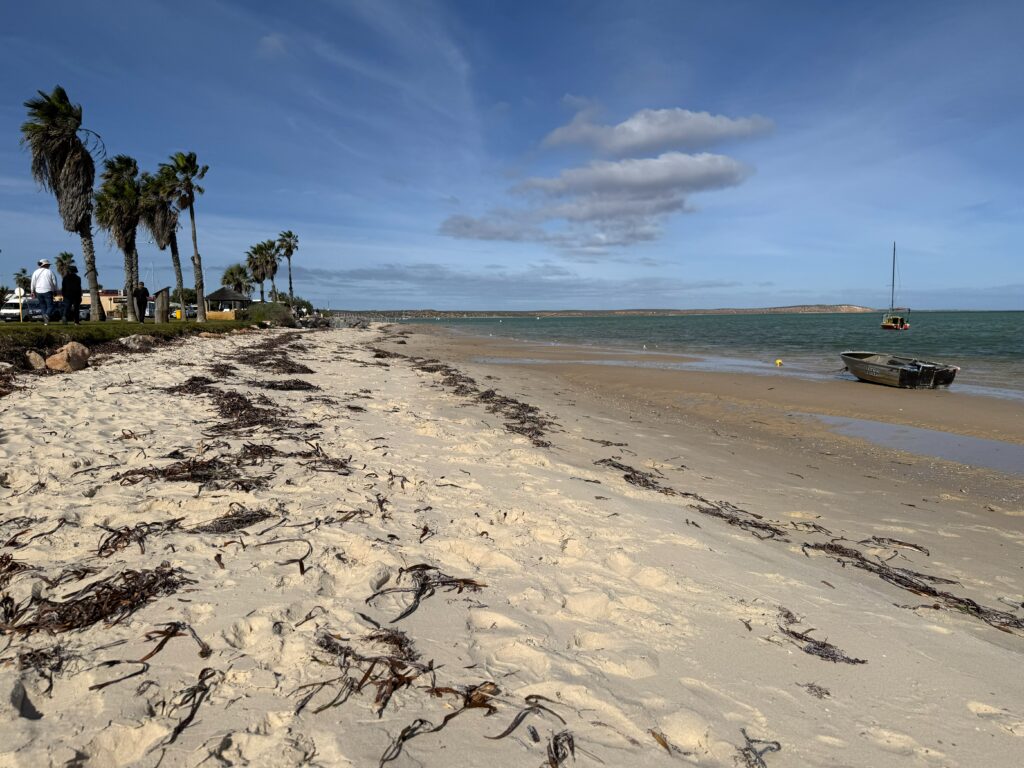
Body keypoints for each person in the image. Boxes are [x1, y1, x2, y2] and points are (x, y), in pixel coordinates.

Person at [30, 258, 59, 324]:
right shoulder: (50, 272)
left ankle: (46, 322)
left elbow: (32, 282)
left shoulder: (35, 272)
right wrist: (55, 290)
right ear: (45, 264)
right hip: (48, 290)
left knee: (43, 306)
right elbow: (54, 282)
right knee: (50, 306)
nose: (49, 266)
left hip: (38, 291)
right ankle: (47, 315)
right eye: (48, 264)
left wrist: (32, 291)